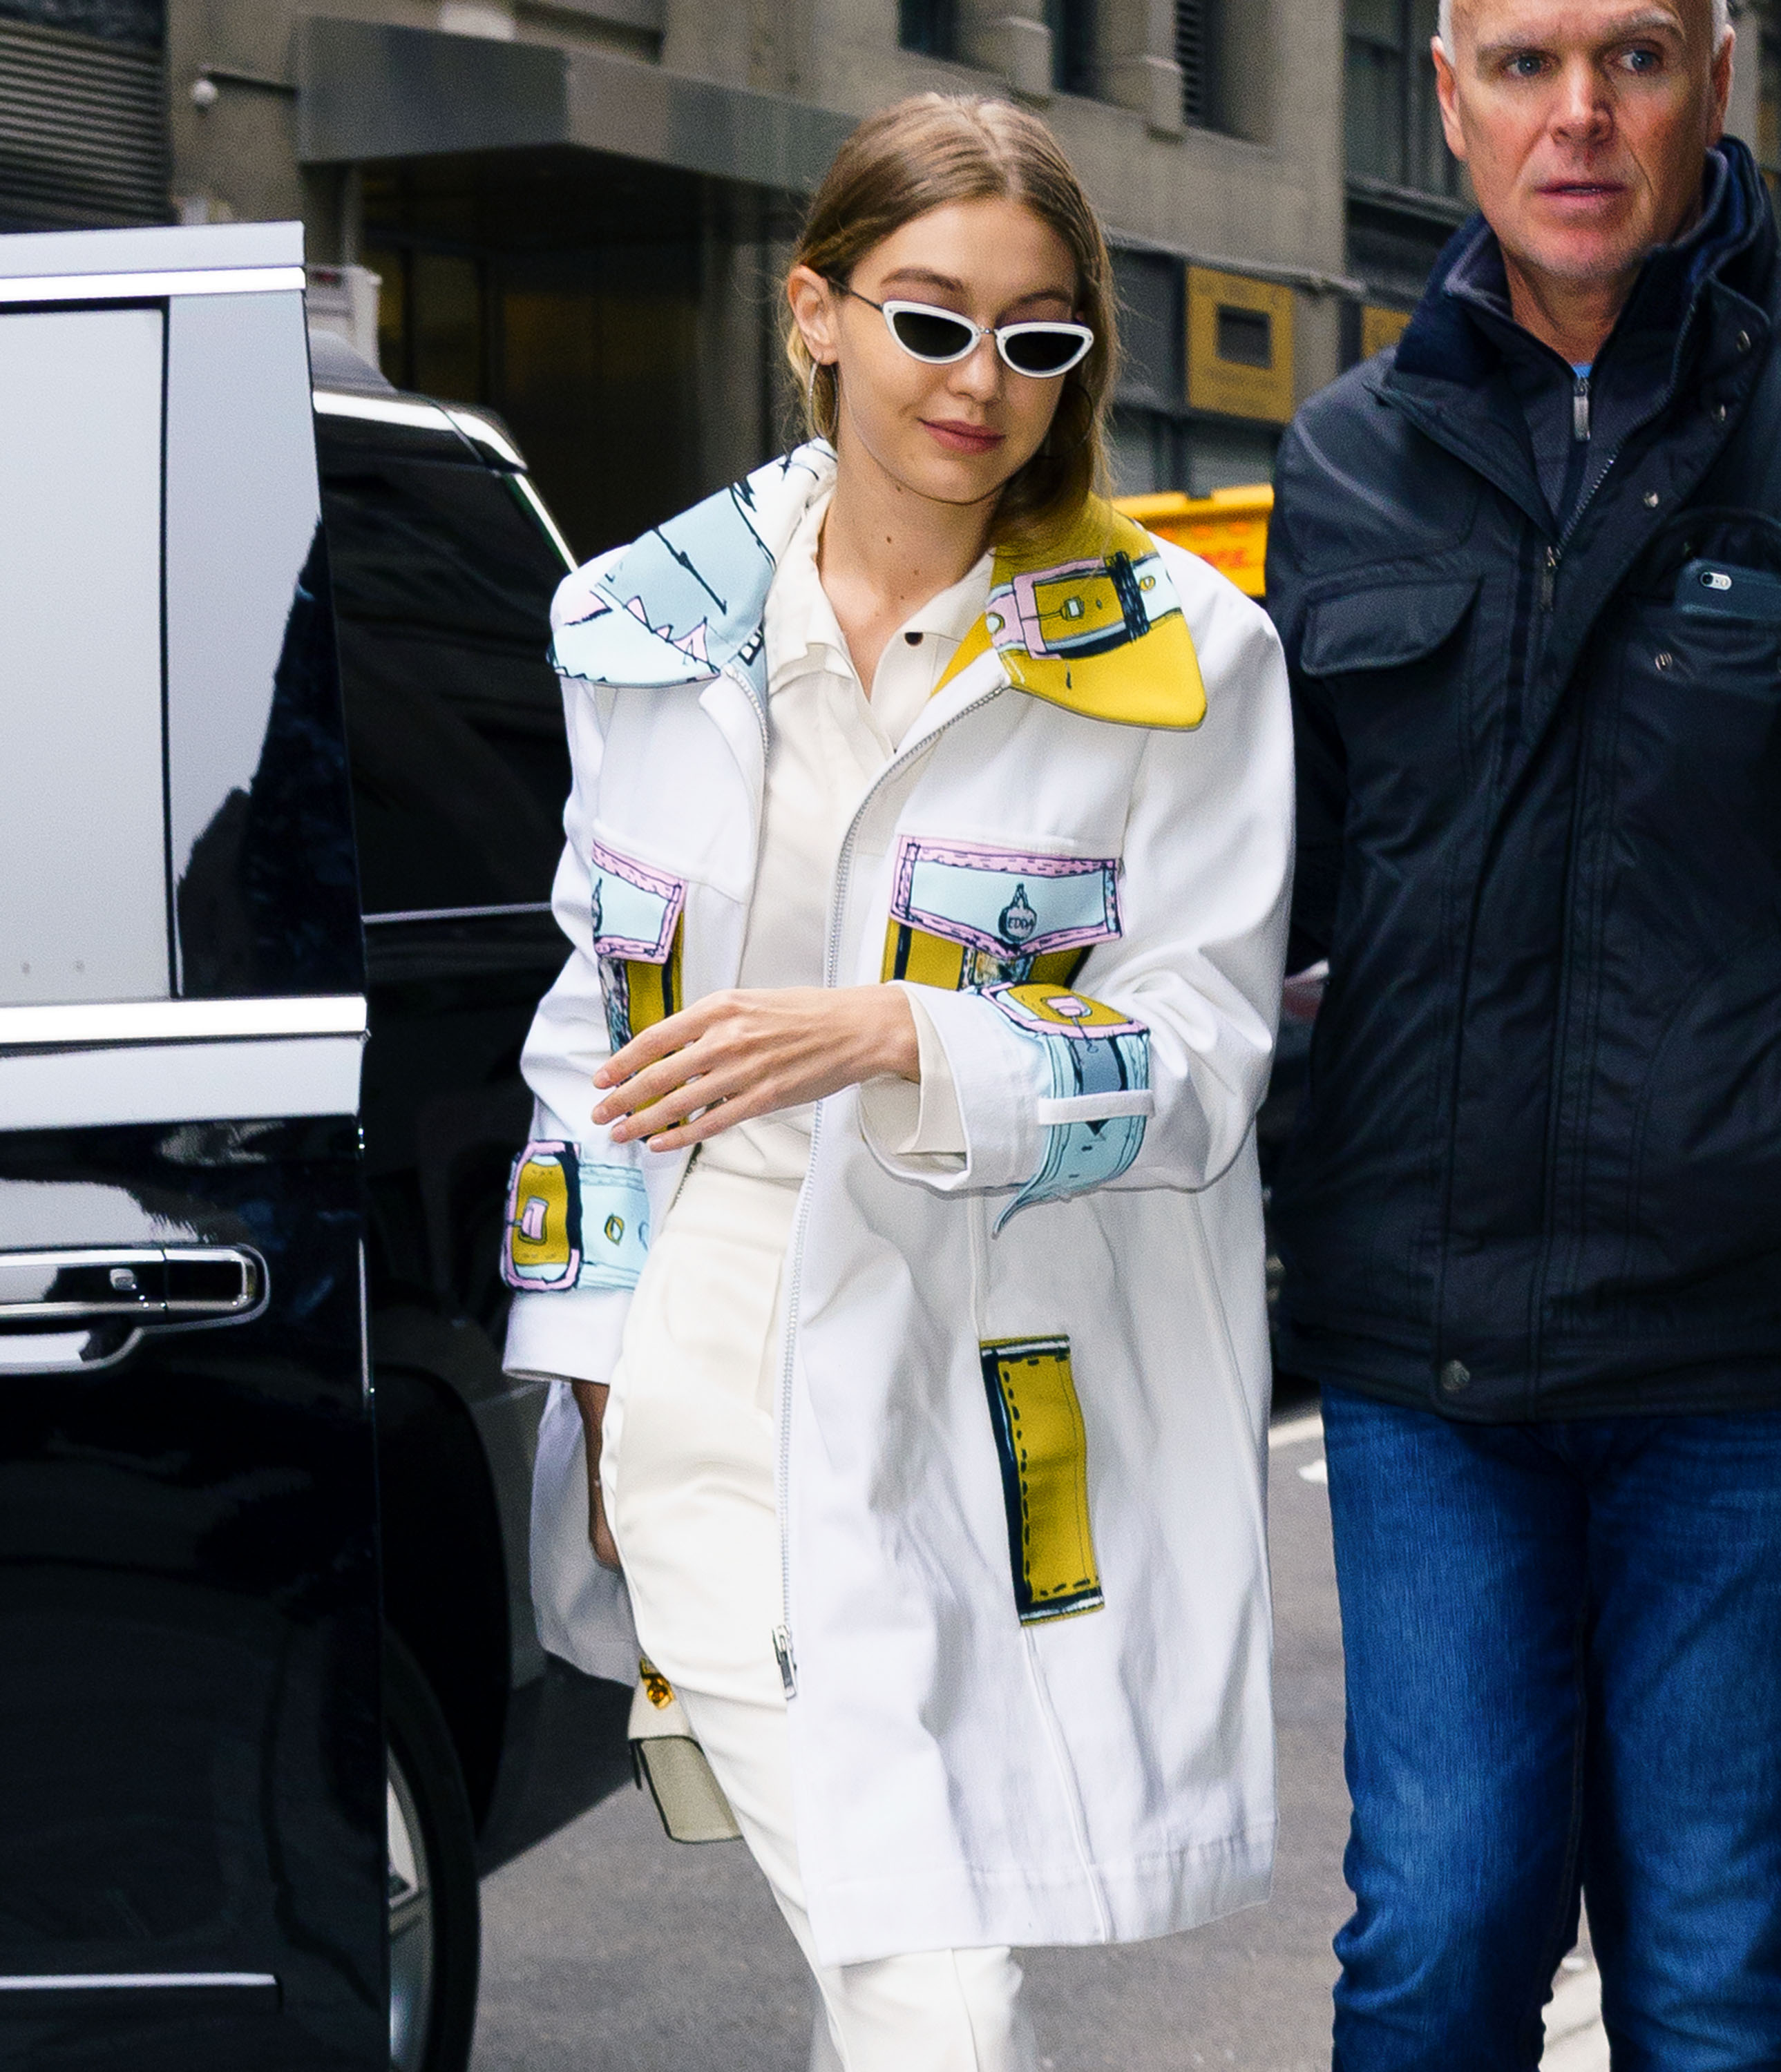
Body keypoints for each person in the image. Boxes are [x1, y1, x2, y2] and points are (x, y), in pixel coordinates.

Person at [499, 93, 1293, 2071]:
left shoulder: (1187, 662)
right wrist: (587, 1360)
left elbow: (1204, 1067)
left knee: (912, 1947)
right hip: (704, 1333)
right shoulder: (639, 621)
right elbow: (588, 1023)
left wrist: (899, 1034)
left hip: (997, 1357)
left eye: (1038, 337)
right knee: (921, 1972)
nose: (979, 380)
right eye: (930, 320)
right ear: (815, 314)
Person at [1266, 0, 1781, 2062]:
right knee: (1439, 1936)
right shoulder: (1340, 459)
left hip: (1743, 1356)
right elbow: (1268, 899)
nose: (1579, 116)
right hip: (1431, 1352)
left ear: (1717, 83)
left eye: (1633, 59)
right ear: (1448, 98)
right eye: (1524, 66)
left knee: (1721, 1973)